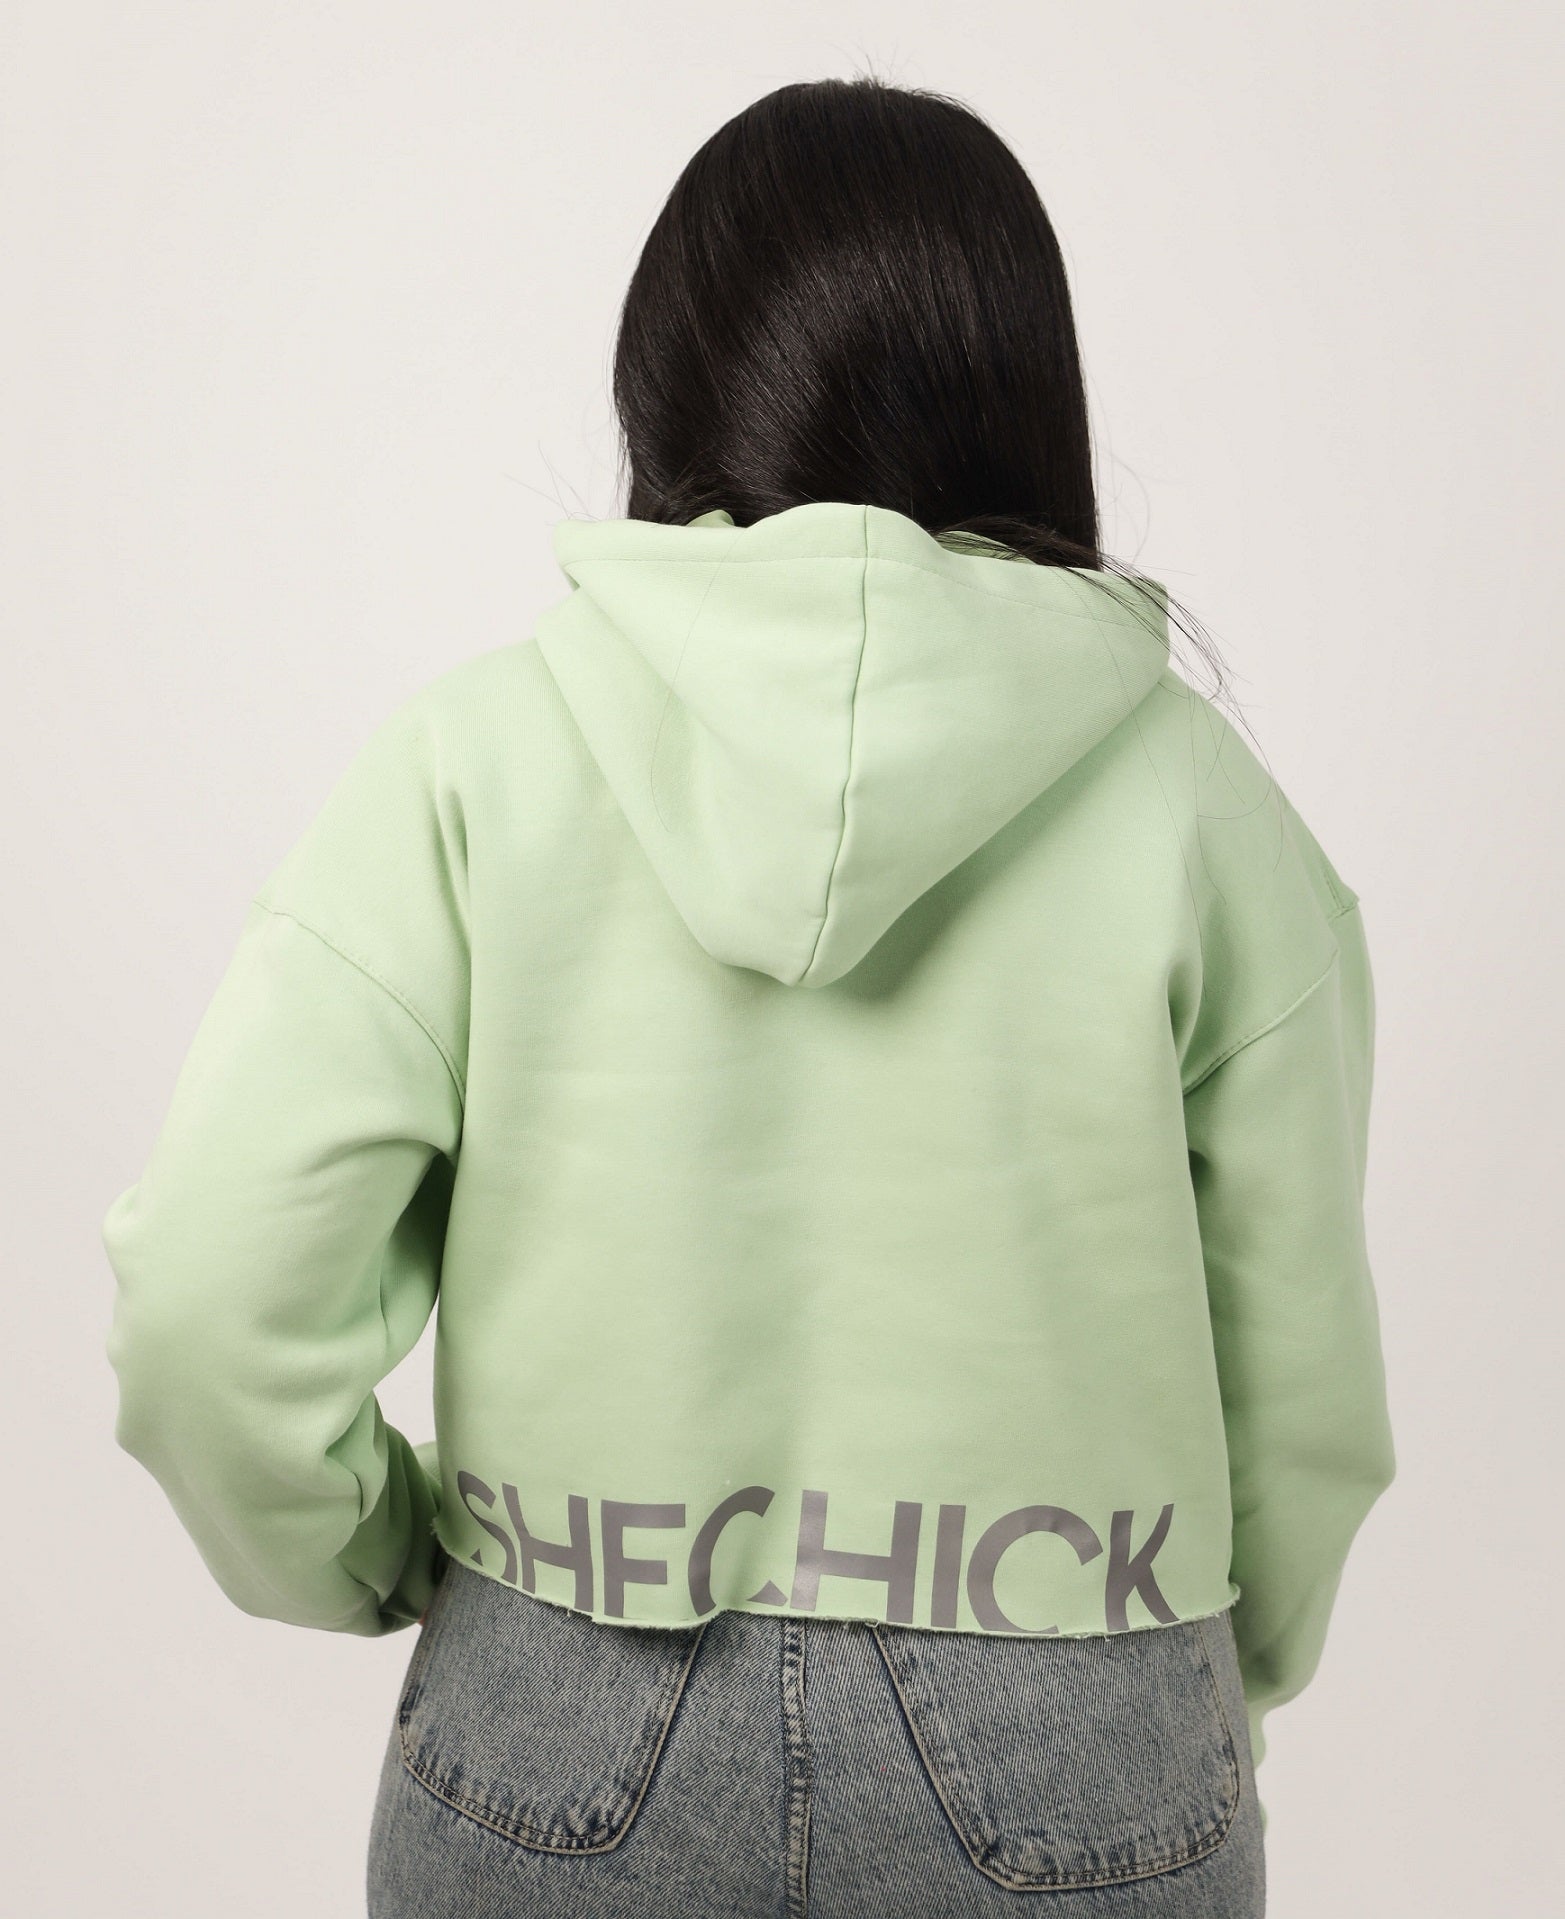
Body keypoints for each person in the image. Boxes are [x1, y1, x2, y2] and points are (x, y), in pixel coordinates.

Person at [101, 75, 1394, 1919]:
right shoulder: (1202, 808)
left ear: (668, 388)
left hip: (562, 1691)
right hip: (1082, 1699)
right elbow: (1304, 1386)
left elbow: (214, 1304)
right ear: (1025, 392)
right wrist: (1209, 1678)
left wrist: (381, 1551)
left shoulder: (474, 761)